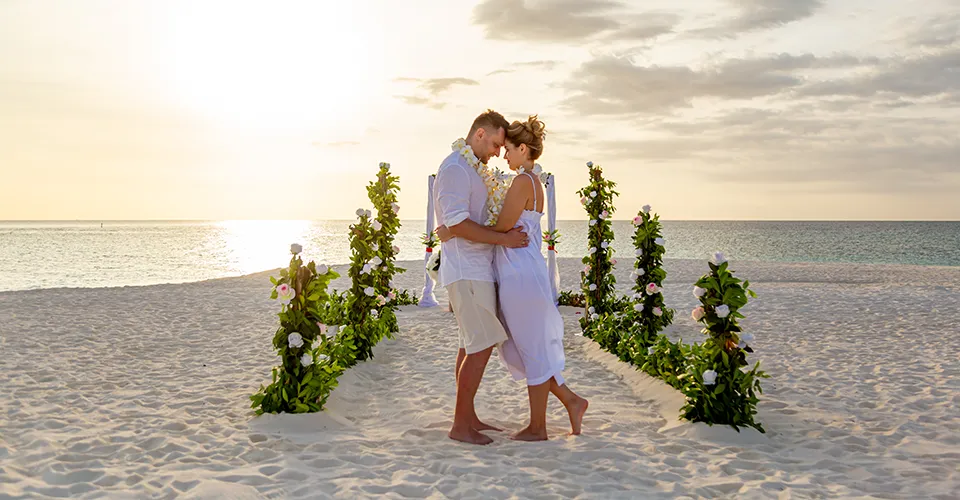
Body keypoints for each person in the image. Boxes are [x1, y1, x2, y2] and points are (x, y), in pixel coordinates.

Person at [438, 115, 588, 441]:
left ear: (523, 148)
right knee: (516, 347)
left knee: (525, 348)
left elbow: (503, 226)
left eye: (506, 149)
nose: (501, 156)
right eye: (497, 146)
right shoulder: (525, 181)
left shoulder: (523, 182)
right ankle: (568, 401)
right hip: (509, 271)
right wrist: (459, 229)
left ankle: (541, 423)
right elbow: (499, 226)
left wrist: (453, 229)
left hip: (517, 275)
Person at [433, 109, 528, 445]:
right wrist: (503, 239)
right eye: (496, 144)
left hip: (477, 269)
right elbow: (457, 224)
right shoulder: (457, 168)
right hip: (467, 271)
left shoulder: (471, 168)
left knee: (470, 343)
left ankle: (468, 416)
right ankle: (460, 426)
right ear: (479, 134)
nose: (497, 153)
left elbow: (457, 222)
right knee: (482, 345)